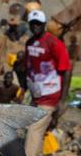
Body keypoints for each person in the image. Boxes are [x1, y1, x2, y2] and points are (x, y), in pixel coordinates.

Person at [23, 10, 72, 156]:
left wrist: (62, 100)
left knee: (34, 129)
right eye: (32, 24)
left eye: (38, 24)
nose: (35, 27)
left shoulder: (54, 43)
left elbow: (67, 70)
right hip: (37, 94)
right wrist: (31, 96)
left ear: (44, 24)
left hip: (51, 95)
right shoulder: (30, 43)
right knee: (37, 131)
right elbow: (29, 68)